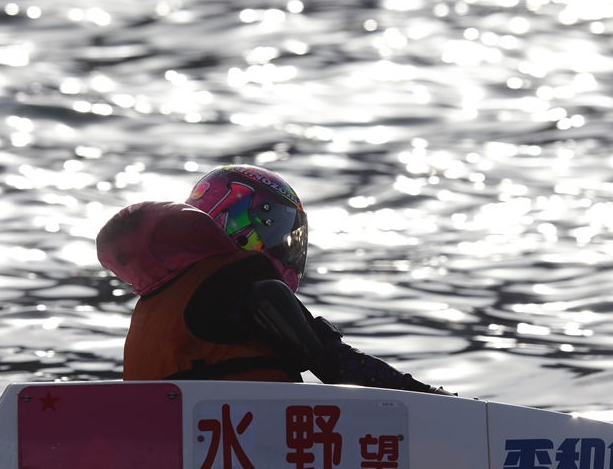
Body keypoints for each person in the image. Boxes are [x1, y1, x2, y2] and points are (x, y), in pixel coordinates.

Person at [96, 164, 455, 395]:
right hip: (242, 453)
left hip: (176, 454)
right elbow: (334, 363)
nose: (284, 243)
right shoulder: (250, 289)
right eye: (275, 227)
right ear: (235, 221)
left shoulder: (156, 303)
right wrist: (436, 400)